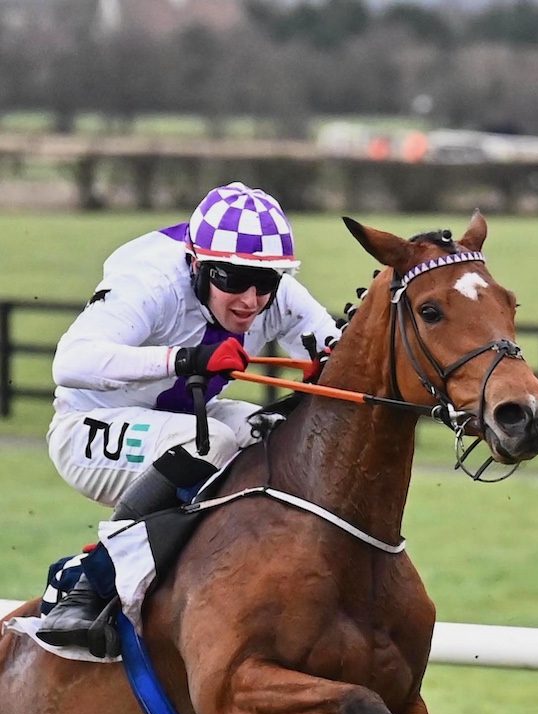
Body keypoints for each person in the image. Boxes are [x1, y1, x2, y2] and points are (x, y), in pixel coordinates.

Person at [36, 181, 340, 652]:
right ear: (196, 264)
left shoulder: (274, 292)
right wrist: (183, 360)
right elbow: (70, 363)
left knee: (276, 436)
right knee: (210, 444)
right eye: (232, 280)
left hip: (182, 416)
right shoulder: (151, 282)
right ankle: (86, 582)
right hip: (87, 427)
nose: (250, 300)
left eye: (265, 284)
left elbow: (338, 352)